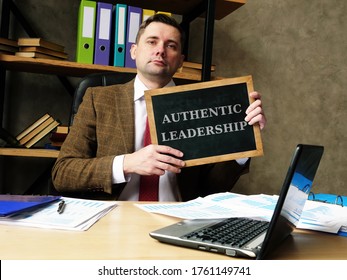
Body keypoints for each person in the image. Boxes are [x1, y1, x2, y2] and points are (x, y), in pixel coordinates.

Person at [51, 14, 266, 201]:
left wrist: (244, 139)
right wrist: (127, 163)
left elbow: (212, 188)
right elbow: (63, 174)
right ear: (134, 51)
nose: (160, 50)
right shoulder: (98, 99)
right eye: (152, 42)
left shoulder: (199, 105)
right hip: (113, 221)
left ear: (180, 61)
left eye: (171, 45)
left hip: (176, 222)